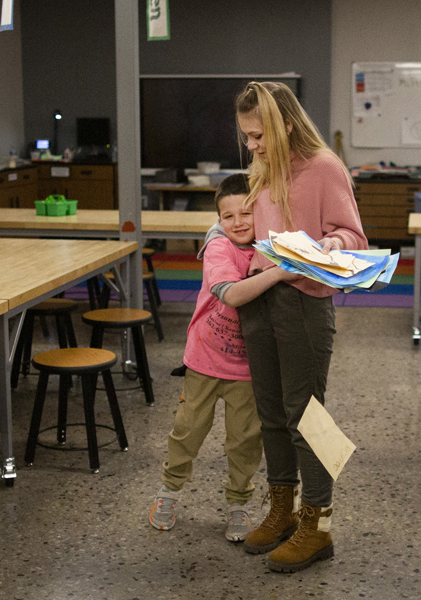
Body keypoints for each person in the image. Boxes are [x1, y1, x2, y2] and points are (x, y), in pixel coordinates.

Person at [234, 81, 368, 573]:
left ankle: (318, 525)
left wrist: (334, 243)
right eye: (247, 137)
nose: (252, 146)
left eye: (258, 135)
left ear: (285, 125)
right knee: (272, 414)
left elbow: (353, 233)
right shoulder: (264, 169)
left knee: (308, 418)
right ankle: (283, 511)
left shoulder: (324, 167)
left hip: (305, 305)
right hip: (263, 297)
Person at [149, 174, 299, 542]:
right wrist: (279, 272)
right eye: (227, 216)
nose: (238, 223)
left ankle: (238, 504)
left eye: (246, 212)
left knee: (246, 440)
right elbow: (230, 294)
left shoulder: (270, 244)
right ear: (218, 220)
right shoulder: (219, 248)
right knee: (188, 430)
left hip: (249, 369)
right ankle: (169, 492)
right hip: (204, 360)